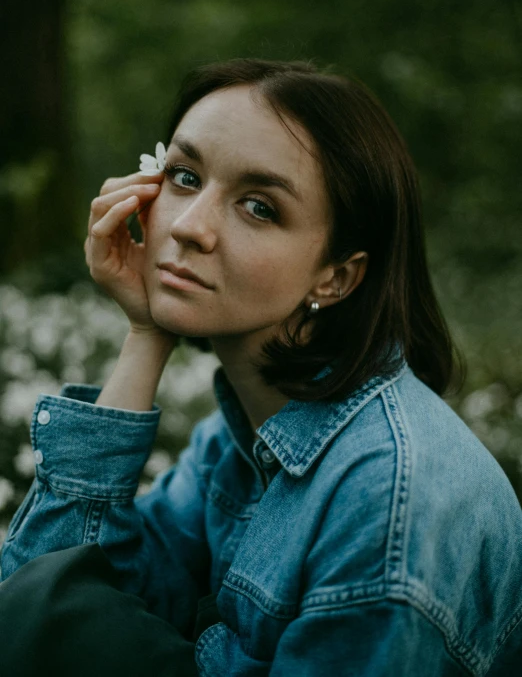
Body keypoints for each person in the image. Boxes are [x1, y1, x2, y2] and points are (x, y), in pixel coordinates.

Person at [1, 58, 521, 675]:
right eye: (186, 176)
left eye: (259, 207)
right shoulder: (244, 434)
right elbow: (46, 596)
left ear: (336, 276)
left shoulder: (391, 502)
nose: (190, 227)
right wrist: (146, 333)